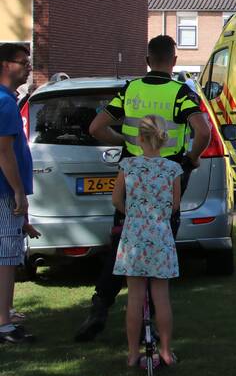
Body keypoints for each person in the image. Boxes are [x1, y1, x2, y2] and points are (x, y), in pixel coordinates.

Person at [74, 35, 210, 342]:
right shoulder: (181, 93)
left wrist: (125, 141)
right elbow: (202, 131)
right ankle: (155, 310)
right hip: (168, 173)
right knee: (162, 238)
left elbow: (96, 127)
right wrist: (191, 158)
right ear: (174, 61)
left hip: (133, 174)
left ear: (147, 60)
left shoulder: (130, 89)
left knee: (122, 240)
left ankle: (100, 305)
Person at [113, 115, 181, 368]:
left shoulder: (128, 166)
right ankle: (165, 350)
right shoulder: (172, 169)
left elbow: (116, 199)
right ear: (163, 140)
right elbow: (174, 205)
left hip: (135, 236)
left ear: (140, 138)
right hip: (160, 235)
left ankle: (132, 353)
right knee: (161, 297)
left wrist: (131, 213)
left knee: (134, 297)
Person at [0, 44, 41, 344]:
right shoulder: (4, 104)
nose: (28, 66)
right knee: (6, 255)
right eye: (23, 62)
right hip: (4, 191)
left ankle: (5, 311)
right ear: (5, 65)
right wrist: (18, 192)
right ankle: (4, 324)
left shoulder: (7, 101)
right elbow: (4, 152)